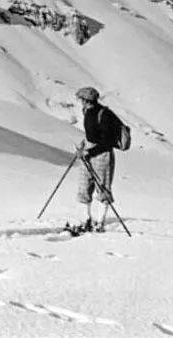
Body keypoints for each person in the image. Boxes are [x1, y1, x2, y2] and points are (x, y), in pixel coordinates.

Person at [72, 86, 116, 233]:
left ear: (86, 100)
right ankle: (86, 220)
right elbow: (91, 134)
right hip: (89, 152)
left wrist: (89, 151)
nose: (80, 102)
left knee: (102, 189)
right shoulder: (88, 112)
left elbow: (107, 142)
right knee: (84, 186)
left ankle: (100, 222)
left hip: (102, 155)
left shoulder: (104, 115)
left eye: (81, 99)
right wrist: (84, 145)